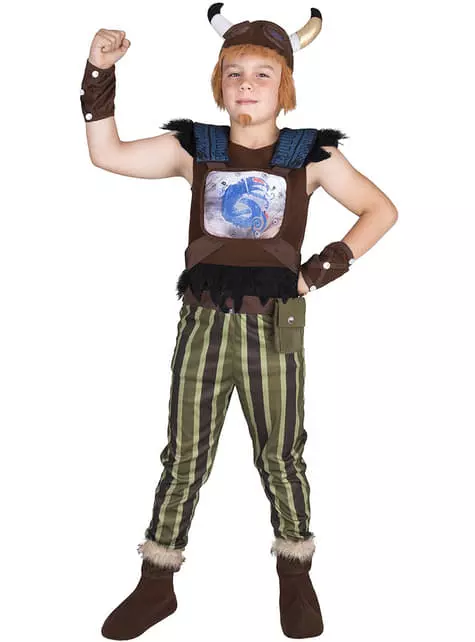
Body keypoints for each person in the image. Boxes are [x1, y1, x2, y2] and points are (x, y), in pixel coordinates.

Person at [80, 5, 398, 640]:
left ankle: (295, 576)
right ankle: (157, 582)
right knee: (184, 457)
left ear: (284, 86)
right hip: (201, 323)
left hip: (274, 328)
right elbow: (106, 154)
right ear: (218, 83)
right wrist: (98, 71)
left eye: (261, 74)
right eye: (233, 73)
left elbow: (379, 210)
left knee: (281, 455)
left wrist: (314, 273)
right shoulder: (194, 148)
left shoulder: (310, 154)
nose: (246, 84)